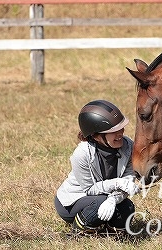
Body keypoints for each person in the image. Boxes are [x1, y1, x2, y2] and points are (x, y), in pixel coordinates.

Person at [54, 99, 140, 235]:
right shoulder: (81, 154)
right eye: (114, 131)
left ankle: (110, 233)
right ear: (95, 135)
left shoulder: (129, 146)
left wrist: (113, 199)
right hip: (74, 201)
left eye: (121, 128)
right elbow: (90, 189)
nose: (121, 133)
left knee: (127, 207)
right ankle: (78, 231)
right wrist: (117, 183)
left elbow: (127, 181)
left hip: (105, 197)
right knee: (100, 202)